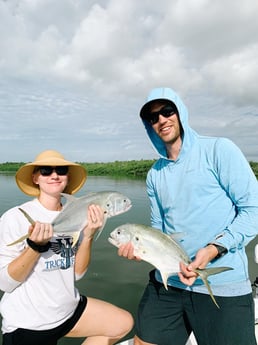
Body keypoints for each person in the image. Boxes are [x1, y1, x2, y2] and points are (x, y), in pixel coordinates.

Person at [118, 87, 258, 345]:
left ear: (180, 112)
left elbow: (253, 210)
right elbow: (158, 231)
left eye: (167, 111)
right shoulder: (155, 174)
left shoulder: (218, 150)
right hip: (168, 282)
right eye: (153, 117)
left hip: (222, 284)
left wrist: (215, 248)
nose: (161, 120)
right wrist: (142, 250)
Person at [0, 150, 133, 345]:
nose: (54, 175)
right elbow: (5, 283)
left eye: (61, 170)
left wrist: (88, 236)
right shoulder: (15, 217)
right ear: (35, 177)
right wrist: (34, 247)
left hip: (67, 311)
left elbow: (77, 274)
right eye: (46, 170)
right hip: (29, 324)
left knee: (122, 323)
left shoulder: (78, 213)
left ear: (68, 177)